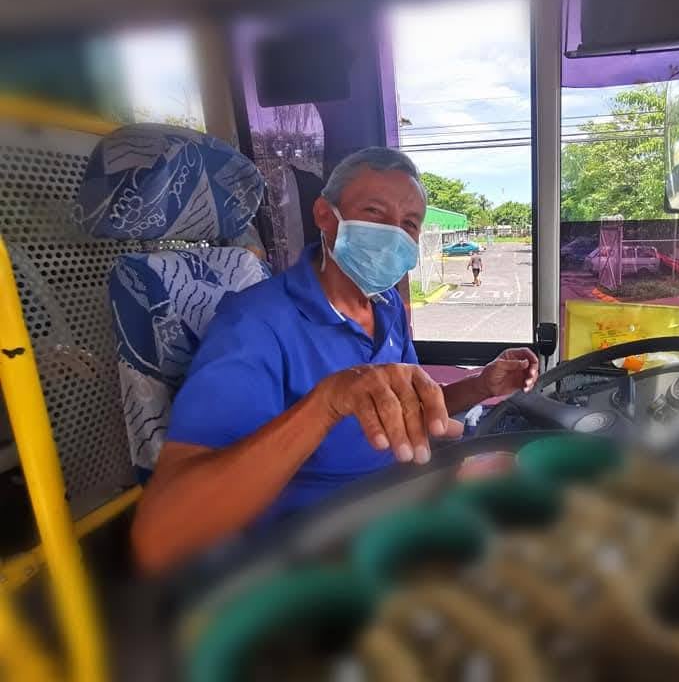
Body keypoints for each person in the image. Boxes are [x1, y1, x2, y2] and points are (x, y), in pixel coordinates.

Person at [131, 147, 538, 572]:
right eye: (375, 213)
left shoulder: (386, 307)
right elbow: (161, 536)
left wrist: (482, 386)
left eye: (409, 224)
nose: (394, 234)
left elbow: (408, 404)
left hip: (398, 494)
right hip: (321, 541)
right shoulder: (255, 324)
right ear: (325, 216)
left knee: (534, 485)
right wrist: (328, 403)